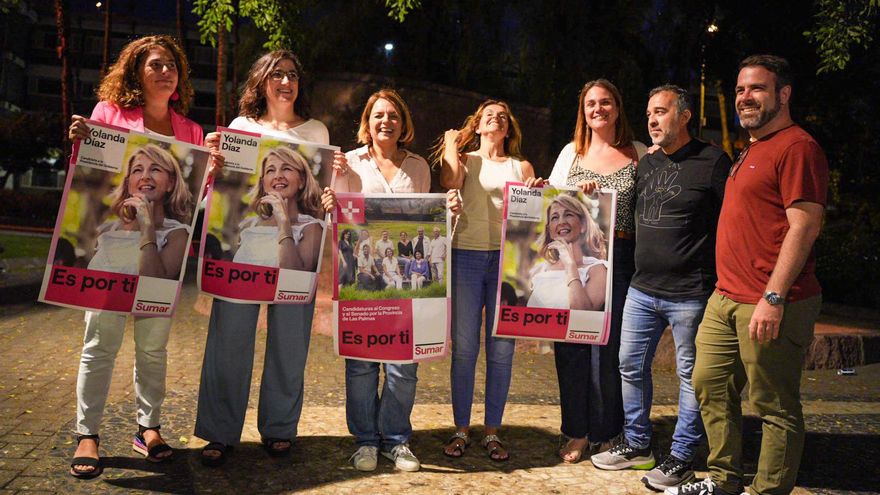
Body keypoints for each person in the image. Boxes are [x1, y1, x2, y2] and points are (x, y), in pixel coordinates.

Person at [674, 55, 828, 495]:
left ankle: (767, 491)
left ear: (783, 94)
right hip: (726, 298)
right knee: (709, 384)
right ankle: (724, 480)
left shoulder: (797, 147)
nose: (745, 97)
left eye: (757, 89)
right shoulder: (752, 149)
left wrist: (774, 297)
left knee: (773, 405)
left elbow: (805, 225)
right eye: (741, 90)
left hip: (773, 299)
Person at [66, 34, 206, 479]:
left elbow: (198, 197)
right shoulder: (111, 115)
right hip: (114, 251)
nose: (165, 72)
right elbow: (91, 170)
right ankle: (87, 433)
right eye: (155, 65)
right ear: (136, 73)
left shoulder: (191, 132)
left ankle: (148, 428)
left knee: (152, 348)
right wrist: (79, 142)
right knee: (99, 345)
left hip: (162, 249)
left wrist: (215, 170)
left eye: (171, 65)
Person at [194, 49, 340, 467]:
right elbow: (221, 190)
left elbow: (323, 194)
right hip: (249, 251)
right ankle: (220, 432)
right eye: (276, 74)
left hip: (297, 251)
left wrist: (336, 178)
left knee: (290, 344)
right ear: (262, 82)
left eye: (292, 74)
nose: (285, 81)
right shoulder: (242, 127)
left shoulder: (316, 132)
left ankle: (279, 428)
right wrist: (212, 162)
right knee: (228, 342)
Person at [589, 86, 730, 493]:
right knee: (629, 365)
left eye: (661, 112)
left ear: (684, 116)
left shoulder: (713, 162)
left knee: (690, 376)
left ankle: (683, 457)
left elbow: (730, 222)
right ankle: (637, 445)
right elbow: (620, 213)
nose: (652, 120)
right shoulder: (647, 164)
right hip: (641, 288)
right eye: (649, 112)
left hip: (691, 292)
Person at [326, 89, 442, 472]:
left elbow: (426, 221)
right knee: (361, 364)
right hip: (361, 274)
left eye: (393, 115)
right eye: (378, 115)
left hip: (405, 279)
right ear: (367, 122)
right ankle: (364, 441)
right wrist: (332, 198)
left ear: (402, 122)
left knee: (403, 365)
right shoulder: (349, 162)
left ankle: (396, 440)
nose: (385, 121)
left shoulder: (419, 166)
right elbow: (339, 218)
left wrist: (448, 211)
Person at [545, 79, 647, 463]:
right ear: (582, 111)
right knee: (570, 346)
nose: (598, 109)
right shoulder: (571, 152)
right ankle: (575, 431)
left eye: (605, 102)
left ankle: (607, 431)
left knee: (611, 351)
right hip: (577, 259)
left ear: (618, 108)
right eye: (590, 103)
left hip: (622, 259)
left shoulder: (638, 153)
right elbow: (549, 201)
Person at [435, 100, 536, 461]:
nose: (496, 118)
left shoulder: (520, 165)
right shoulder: (465, 161)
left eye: (503, 117)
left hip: (509, 263)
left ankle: (492, 431)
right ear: (478, 125)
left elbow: (534, 215)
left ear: (508, 129)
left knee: (502, 351)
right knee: (463, 348)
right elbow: (448, 180)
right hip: (466, 256)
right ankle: (461, 429)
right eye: (488, 115)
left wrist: (537, 192)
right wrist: (451, 142)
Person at [88, 144, 193, 280]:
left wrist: (147, 227)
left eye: (155, 169)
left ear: (170, 183)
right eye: (137, 170)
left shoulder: (178, 235)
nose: (145, 177)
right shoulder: (105, 230)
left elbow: (151, 284)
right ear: (128, 183)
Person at [232, 146, 323, 270]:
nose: (278, 176)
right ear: (263, 183)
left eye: (286, 168)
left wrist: (283, 223)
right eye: (270, 170)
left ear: (302, 180)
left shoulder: (312, 229)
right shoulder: (249, 226)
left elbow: (295, 279)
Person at [526, 193, 607, 311]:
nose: (561, 222)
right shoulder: (539, 271)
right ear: (550, 231)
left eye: (568, 214)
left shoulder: (598, 269)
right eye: (554, 217)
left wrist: (570, 265)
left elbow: (584, 315)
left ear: (583, 225)